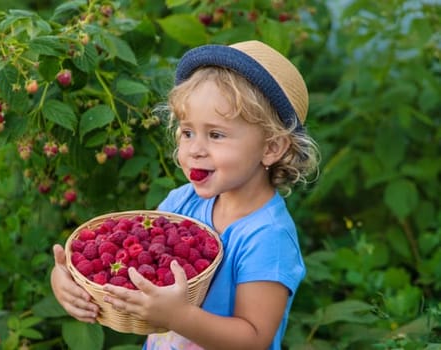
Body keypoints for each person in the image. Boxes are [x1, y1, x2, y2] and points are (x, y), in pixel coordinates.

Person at [48, 40, 320, 349]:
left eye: (215, 135)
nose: (194, 150)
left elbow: (254, 338)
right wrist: (70, 283)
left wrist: (179, 317)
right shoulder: (181, 202)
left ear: (271, 147)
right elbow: (136, 271)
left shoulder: (267, 236)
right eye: (188, 132)